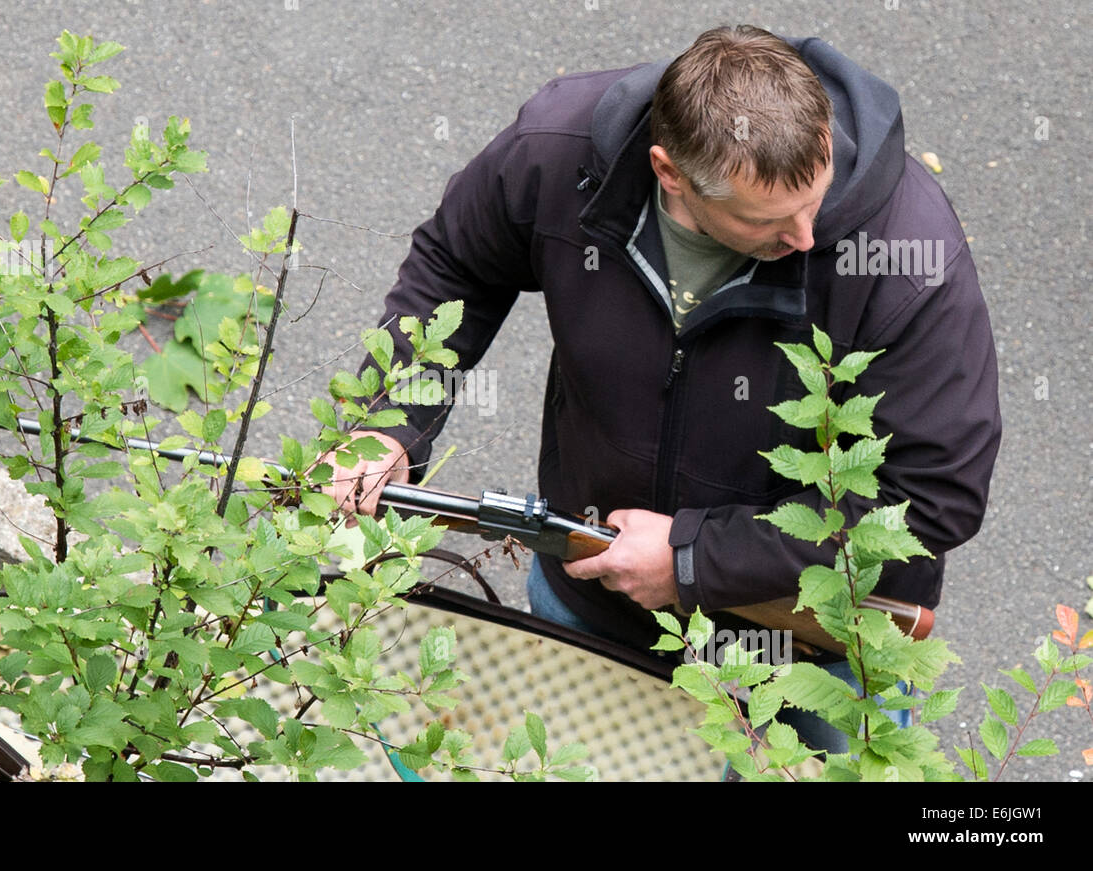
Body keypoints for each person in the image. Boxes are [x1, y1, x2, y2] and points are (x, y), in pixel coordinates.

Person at [320, 26, 1001, 745]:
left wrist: (694, 558)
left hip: (803, 652)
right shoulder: (555, 150)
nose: (808, 237)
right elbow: (456, 264)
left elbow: (933, 496)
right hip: (592, 596)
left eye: (815, 196)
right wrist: (388, 421)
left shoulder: (906, 256)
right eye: (767, 221)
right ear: (668, 172)